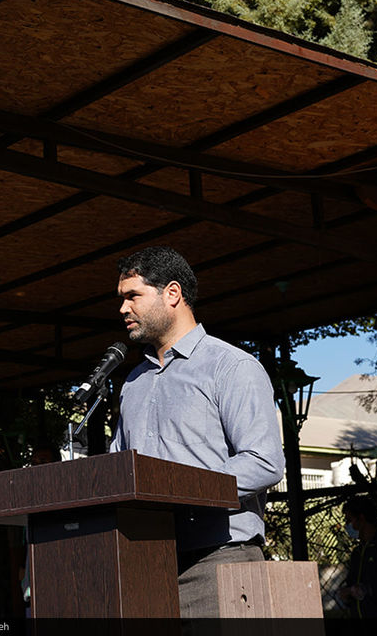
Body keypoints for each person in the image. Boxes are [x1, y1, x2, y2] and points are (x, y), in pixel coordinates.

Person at [109, 246, 285, 617]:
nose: (123, 309)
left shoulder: (231, 366)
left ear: (172, 293)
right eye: (122, 299)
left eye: (133, 296)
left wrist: (175, 488)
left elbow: (264, 462)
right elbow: (118, 472)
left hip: (220, 561)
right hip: (146, 565)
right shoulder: (132, 383)